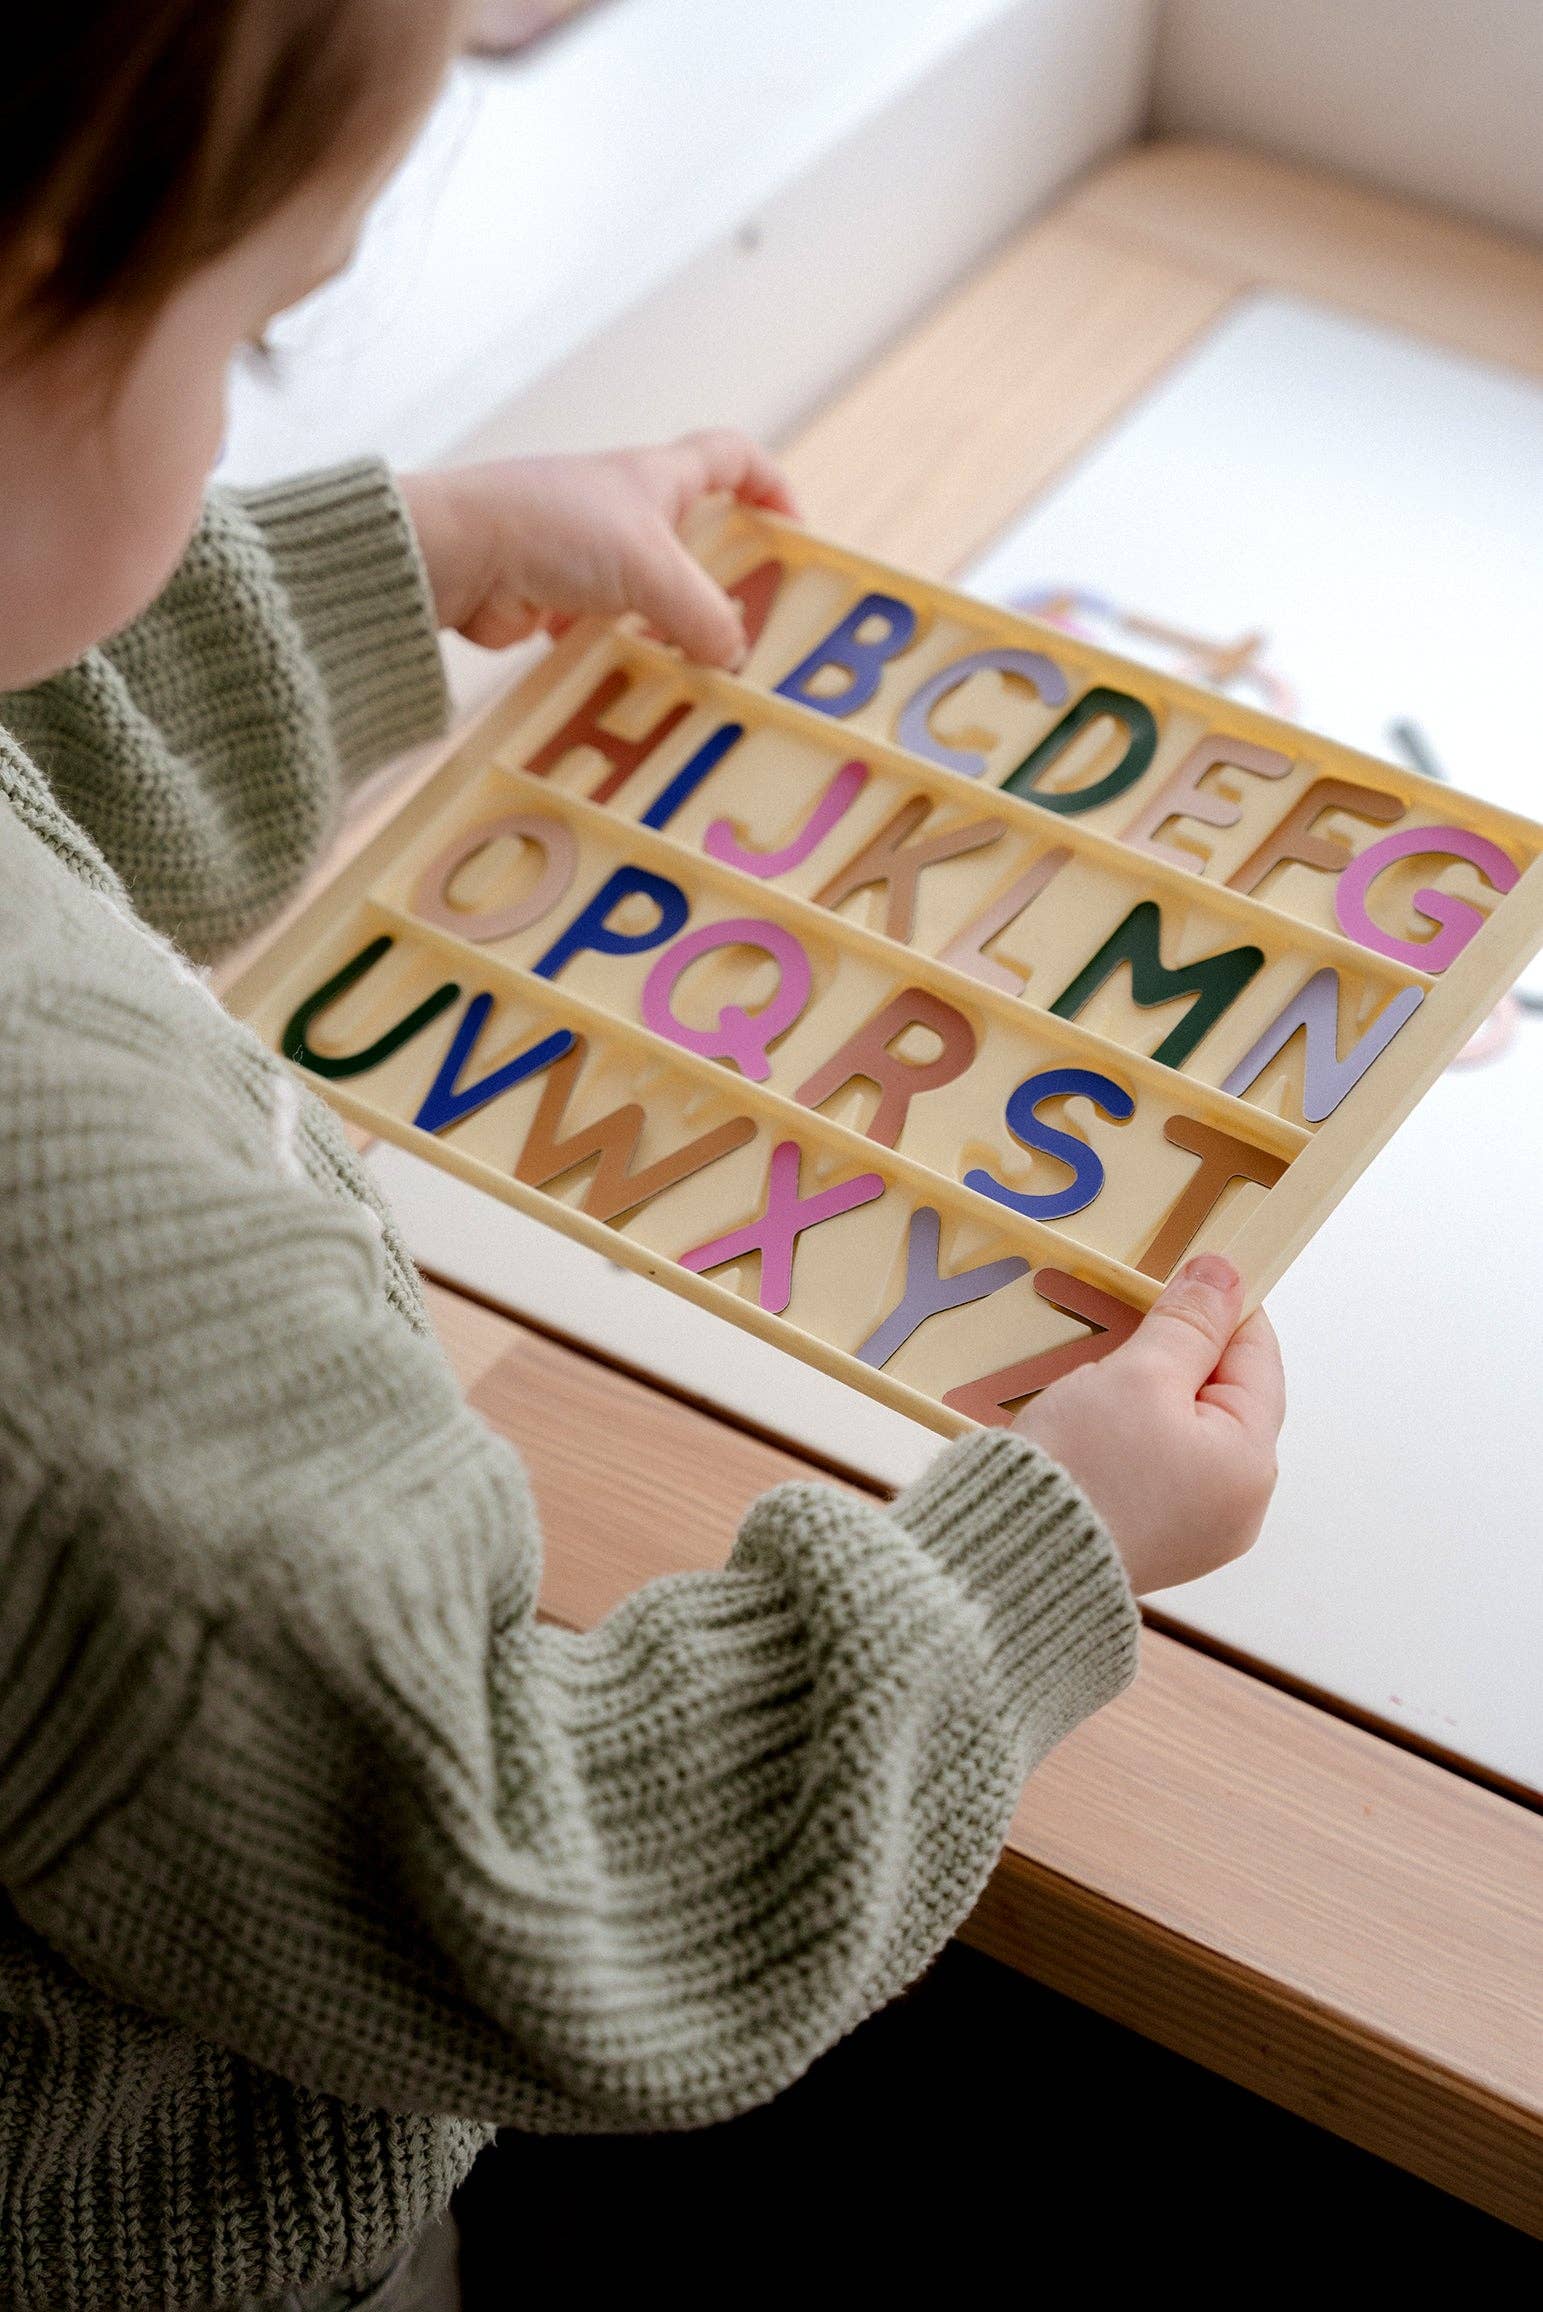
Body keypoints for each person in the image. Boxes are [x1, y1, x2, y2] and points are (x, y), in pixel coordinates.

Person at [0, 6, 1285, 2307]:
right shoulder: (70, 1302)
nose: (238, 421)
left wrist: (403, 554)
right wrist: (1037, 1554)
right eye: (256, 348)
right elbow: (544, 1883)